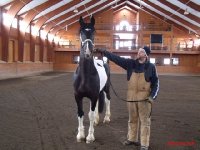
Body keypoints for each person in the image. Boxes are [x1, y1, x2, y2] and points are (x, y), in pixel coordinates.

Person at [96, 46, 159, 150]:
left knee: (145, 121)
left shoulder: (151, 67)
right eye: (138, 51)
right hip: (131, 97)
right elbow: (117, 59)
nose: (139, 53)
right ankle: (132, 139)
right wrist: (105, 52)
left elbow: (156, 83)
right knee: (132, 119)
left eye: (141, 52)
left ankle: (144, 144)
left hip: (144, 98)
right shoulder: (130, 64)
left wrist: (152, 97)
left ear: (146, 55)